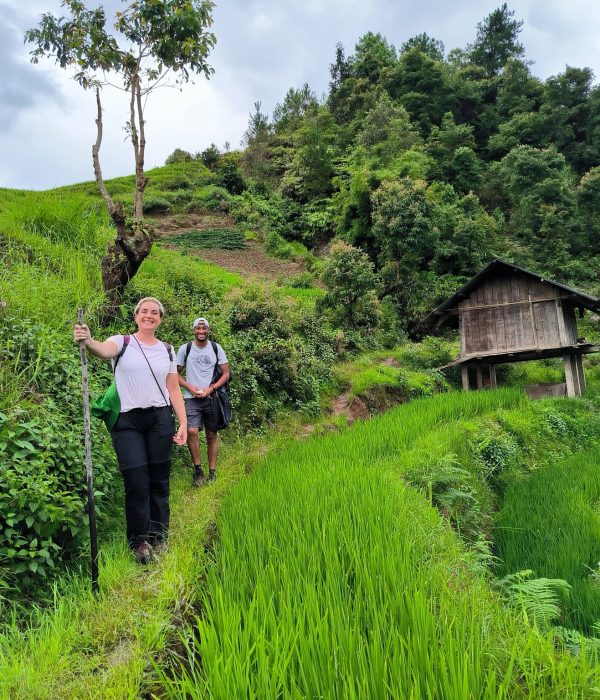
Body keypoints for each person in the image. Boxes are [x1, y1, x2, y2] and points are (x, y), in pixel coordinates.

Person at [73, 297, 187, 564]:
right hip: (128, 422)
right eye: (144, 311)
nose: (149, 315)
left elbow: (173, 389)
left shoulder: (167, 350)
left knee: (159, 481)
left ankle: (159, 537)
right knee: (136, 482)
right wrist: (88, 341)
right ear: (136, 316)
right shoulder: (121, 342)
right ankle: (139, 542)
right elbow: (102, 350)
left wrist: (183, 422)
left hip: (160, 419)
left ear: (160, 318)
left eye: (155, 312)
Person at [176, 317, 229, 486]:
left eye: (204, 328)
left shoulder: (215, 348)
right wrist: (190, 388)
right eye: (198, 329)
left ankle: (212, 472)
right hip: (191, 398)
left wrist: (211, 388)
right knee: (192, 431)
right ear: (193, 330)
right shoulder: (186, 349)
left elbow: (226, 373)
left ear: (208, 330)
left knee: (212, 434)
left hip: (211, 398)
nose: (201, 331)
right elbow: (175, 374)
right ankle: (198, 470)